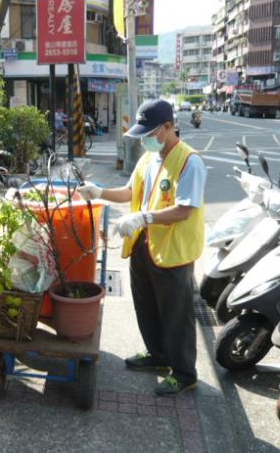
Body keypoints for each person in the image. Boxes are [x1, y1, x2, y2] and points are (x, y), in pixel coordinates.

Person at [78, 99, 206, 396]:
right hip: (143, 246)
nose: (145, 139)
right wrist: (99, 192)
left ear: (167, 127)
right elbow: (130, 191)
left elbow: (184, 210)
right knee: (146, 306)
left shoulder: (189, 161)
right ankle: (158, 356)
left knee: (176, 315)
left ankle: (185, 373)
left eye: (150, 133)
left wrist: (144, 217)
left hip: (173, 253)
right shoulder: (148, 159)